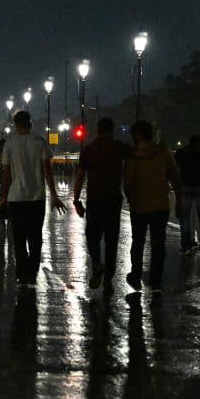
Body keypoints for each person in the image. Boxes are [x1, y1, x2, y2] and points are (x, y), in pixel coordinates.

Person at [0, 111, 66, 287]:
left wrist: (3, 197)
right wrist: (54, 195)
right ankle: (32, 273)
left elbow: (6, 173)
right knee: (35, 238)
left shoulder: (9, 144)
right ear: (29, 122)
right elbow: (47, 171)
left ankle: (22, 275)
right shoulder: (39, 142)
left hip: (16, 197)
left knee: (19, 239)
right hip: (37, 197)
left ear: (15, 124)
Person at [72, 118, 132, 291]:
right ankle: (108, 278)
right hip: (113, 199)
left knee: (92, 236)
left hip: (95, 199)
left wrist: (76, 200)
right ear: (111, 130)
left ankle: (97, 263)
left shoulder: (89, 150)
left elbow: (80, 176)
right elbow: (137, 154)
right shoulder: (119, 147)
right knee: (112, 239)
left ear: (97, 130)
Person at [123, 120, 182, 294]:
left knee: (138, 242)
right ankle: (156, 282)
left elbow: (127, 182)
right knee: (158, 245)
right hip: (160, 206)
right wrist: (179, 201)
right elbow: (175, 178)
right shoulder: (163, 152)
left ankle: (136, 274)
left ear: (138, 135)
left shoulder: (133, 156)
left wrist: (131, 199)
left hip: (139, 206)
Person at [175, 135, 200, 253]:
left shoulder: (181, 153)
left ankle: (186, 245)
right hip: (199, 186)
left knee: (185, 217)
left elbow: (175, 168)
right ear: (197, 144)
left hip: (185, 186)